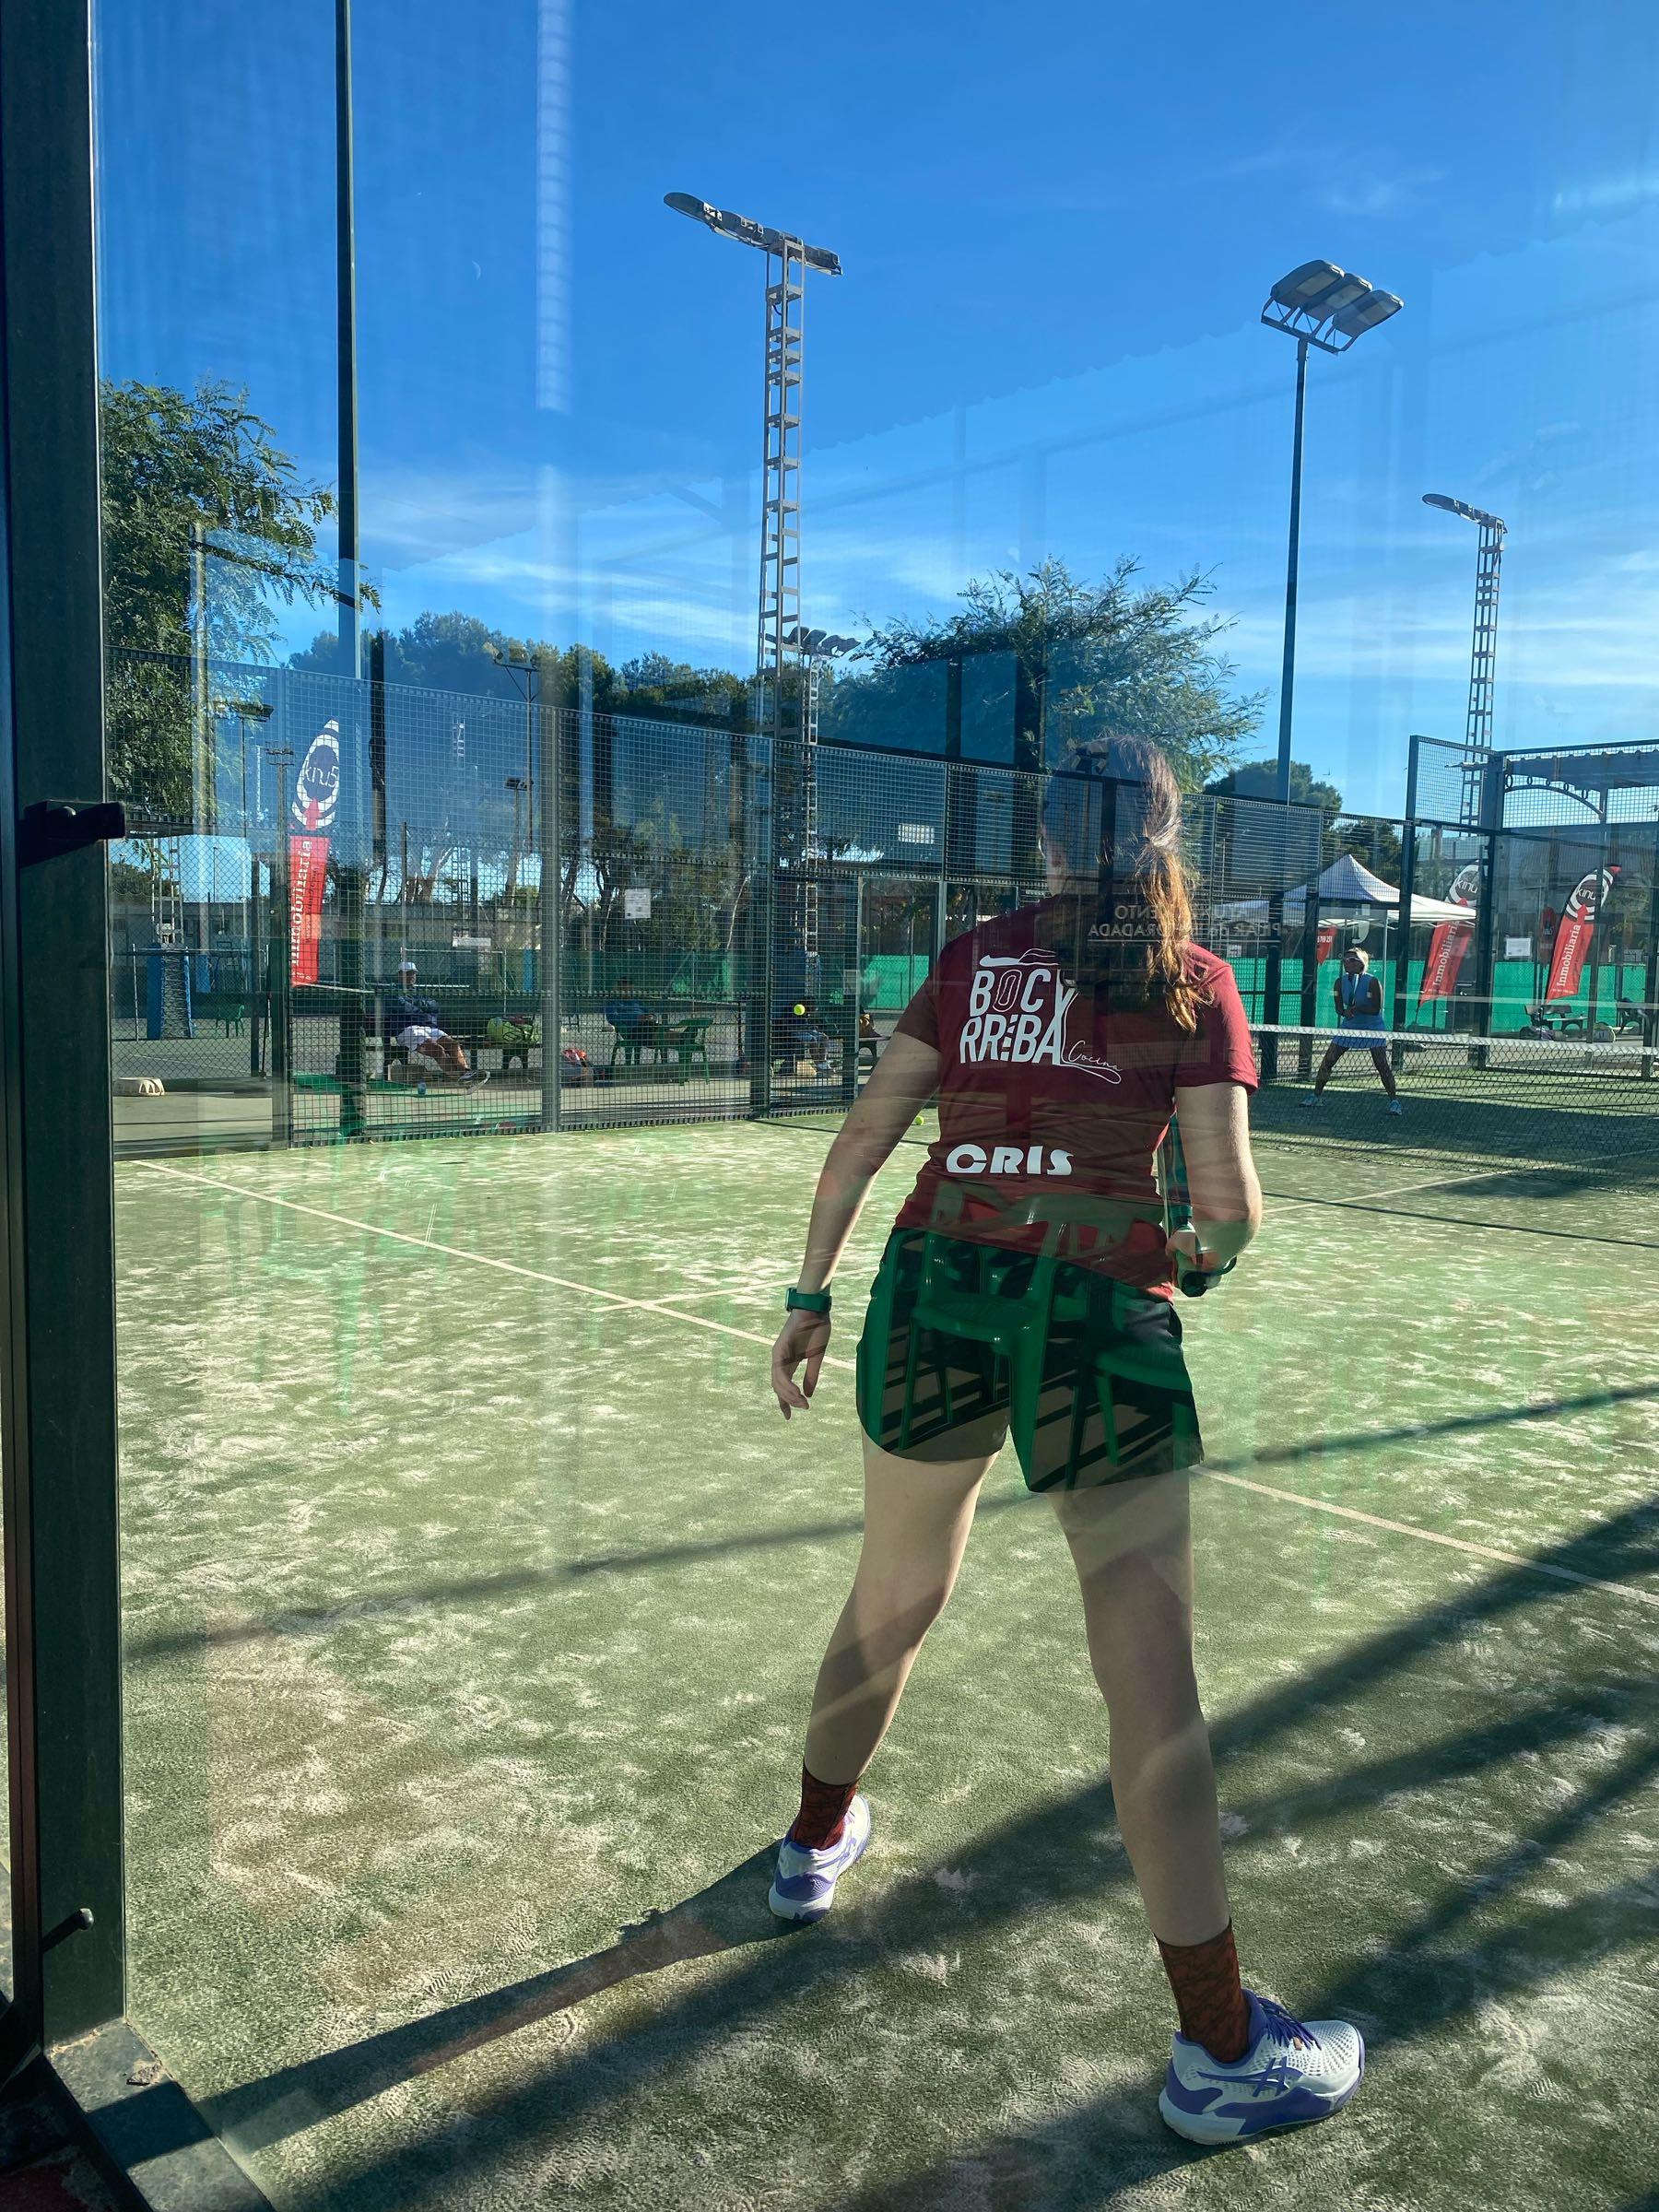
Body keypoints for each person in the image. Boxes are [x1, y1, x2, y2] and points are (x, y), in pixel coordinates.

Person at [766, 735, 1364, 2146]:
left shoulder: (972, 959)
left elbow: (862, 1143)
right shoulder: (1192, 980)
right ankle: (1220, 2048)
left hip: (933, 1290)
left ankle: (810, 1845)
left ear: (1041, 841)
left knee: (891, 1593)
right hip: (1094, 1315)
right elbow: (1229, 1210)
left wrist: (808, 1297)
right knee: (1151, 1688)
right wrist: (1193, 1265)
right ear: (1164, 835)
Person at [1302, 947, 1401, 1113]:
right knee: (1328, 1061)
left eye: (1352, 960)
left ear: (1361, 963)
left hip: (1373, 1028)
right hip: (1349, 1027)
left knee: (1382, 1064)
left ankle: (1394, 1102)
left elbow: (1375, 1009)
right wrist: (1344, 1012)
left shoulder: (1372, 982)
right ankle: (1316, 1096)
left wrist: (1356, 1009)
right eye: (1345, 960)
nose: (1347, 963)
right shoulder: (1339, 982)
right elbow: (1339, 1008)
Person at [387, 960, 482, 1085]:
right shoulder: (392, 991)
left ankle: (465, 1072)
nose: (412, 976)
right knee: (437, 1049)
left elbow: (434, 1006)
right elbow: (403, 1008)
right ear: (400, 975)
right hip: (407, 1030)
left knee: (453, 1044)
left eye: (413, 973)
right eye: (408, 973)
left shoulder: (418, 991)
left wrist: (417, 1006)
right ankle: (459, 1077)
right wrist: (423, 1010)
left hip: (427, 1028)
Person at [603, 978, 653, 1067]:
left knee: (660, 1029)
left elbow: (649, 1012)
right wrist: (635, 1019)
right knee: (661, 1034)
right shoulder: (614, 1002)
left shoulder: (637, 1002)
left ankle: (676, 1037)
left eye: (629, 989)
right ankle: (676, 1038)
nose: (627, 992)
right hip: (632, 1030)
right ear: (618, 989)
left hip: (647, 1026)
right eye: (624, 989)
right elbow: (613, 1018)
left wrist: (651, 1017)